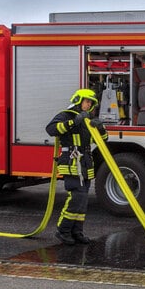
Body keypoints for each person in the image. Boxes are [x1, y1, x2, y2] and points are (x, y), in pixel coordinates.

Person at [45, 88, 108, 245]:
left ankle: (77, 232)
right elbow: (51, 129)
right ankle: (63, 230)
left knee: (83, 200)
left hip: (86, 163)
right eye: (87, 102)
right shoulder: (66, 115)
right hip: (72, 163)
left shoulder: (88, 120)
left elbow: (104, 139)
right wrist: (74, 121)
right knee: (76, 197)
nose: (89, 105)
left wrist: (100, 128)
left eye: (91, 103)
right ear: (79, 101)